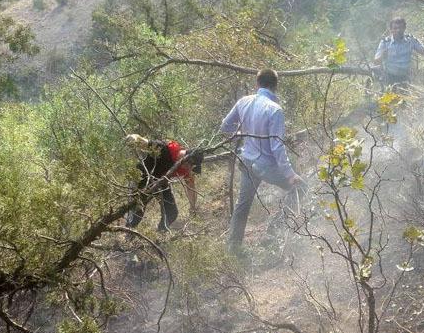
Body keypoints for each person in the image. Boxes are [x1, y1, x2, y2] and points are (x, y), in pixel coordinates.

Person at [221, 69, 305, 254]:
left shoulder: (243, 101)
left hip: (247, 162)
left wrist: (242, 133)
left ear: (257, 83)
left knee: (243, 205)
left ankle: (233, 248)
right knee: (301, 188)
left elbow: (225, 126)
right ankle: (275, 231)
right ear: (275, 86)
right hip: (265, 166)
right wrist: (290, 174)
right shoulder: (274, 109)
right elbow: (277, 146)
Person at [124, 134, 203, 232]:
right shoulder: (165, 148)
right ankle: (127, 234)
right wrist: (134, 138)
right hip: (142, 179)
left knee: (171, 213)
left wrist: (193, 207)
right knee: (137, 213)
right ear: (188, 160)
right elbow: (144, 142)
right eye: (192, 165)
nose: (191, 169)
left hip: (160, 182)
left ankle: (160, 234)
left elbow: (190, 186)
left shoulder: (186, 169)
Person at [374, 17, 424, 88]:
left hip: (405, 78)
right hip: (389, 78)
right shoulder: (385, 42)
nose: (398, 30)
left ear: (404, 28)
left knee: (405, 96)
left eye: (401, 27)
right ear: (391, 30)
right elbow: (376, 61)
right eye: (395, 28)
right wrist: (382, 55)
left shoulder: (410, 40)